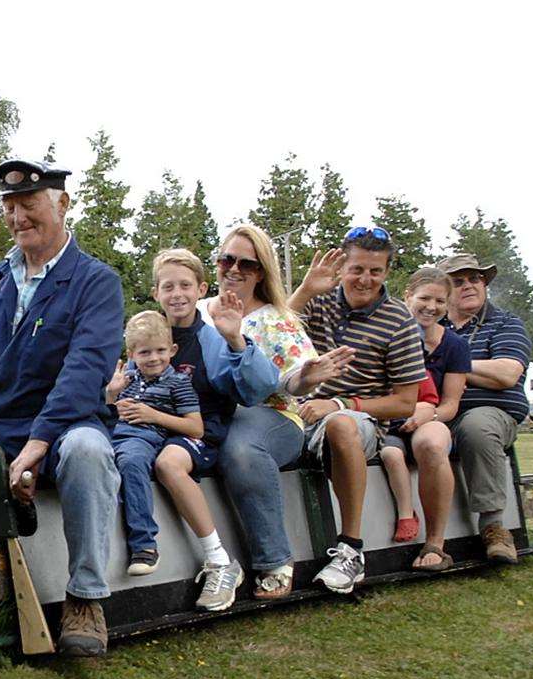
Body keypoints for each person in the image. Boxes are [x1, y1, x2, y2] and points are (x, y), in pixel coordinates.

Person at [0, 158, 124, 657]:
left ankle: (85, 600)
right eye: (9, 207)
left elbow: (84, 374)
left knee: (88, 454)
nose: (17, 217)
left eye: (29, 204)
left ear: (62, 204)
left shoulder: (96, 281)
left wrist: (39, 442)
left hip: (65, 427)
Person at [200, 224, 355, 600]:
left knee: (239, 445)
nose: (234, 270)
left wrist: (308, 376)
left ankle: (274, 560)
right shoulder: (197, 310)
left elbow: (293, 384)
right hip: (204, 414)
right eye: (227, 259)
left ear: (262, 273)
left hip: (273, 420)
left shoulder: (275, 320)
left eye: (247, 265)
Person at [137, 249, 279, 611]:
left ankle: (219, 561)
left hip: (198, 431)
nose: (177, 294)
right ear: (156, 293)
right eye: (168, 287)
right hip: (154, 429)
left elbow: (257, 388)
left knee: (169, 463)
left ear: (201, 289)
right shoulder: (150, 334)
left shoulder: (212, 337)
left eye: (185, 285)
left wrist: (236, 340)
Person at [289, 227, 425, 592]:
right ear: (342, 268)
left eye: (375, 271)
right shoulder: (320, 301)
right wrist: (303, 291)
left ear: (386, 273)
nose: (365, 279)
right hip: (299, 413)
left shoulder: (400, 321)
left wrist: (340, 403)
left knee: (341, 425)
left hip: (361, 421)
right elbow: (271, 333)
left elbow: (404, 402)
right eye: (357, 269)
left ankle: (351, 550)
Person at [438, 253, 533, 562]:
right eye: (458, 281)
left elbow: (506, 374)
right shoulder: (428, 326)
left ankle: (493, 527)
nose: (469, 285)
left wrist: (450, 365)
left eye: (475, 278)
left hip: (491, 415)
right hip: (437, 414)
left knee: (476, 425)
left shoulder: (505, 323)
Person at [376, 266, 471, 570]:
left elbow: (450, 404)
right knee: (389, 450)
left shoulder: (455, 345)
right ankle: (403, 515)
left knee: (431, 443)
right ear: (408, 296)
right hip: (389, 419)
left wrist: (425, 413)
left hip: (430, 417)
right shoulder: (388, 334)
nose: (432, 307)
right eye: (425, 298)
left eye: (440, 301)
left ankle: (436, 543)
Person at [106, 311, 202, 581]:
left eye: (160, 350)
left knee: (130, 462)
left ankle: (144, 544)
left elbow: (196, 427)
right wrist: (112, 395)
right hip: (111, 434)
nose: (154, 358)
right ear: (132, 354)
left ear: (172, 350)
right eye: (145, 352)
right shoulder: (126, 379)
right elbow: (105, 410)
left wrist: (153, 415)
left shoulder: (178, 383)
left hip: (143, 439)